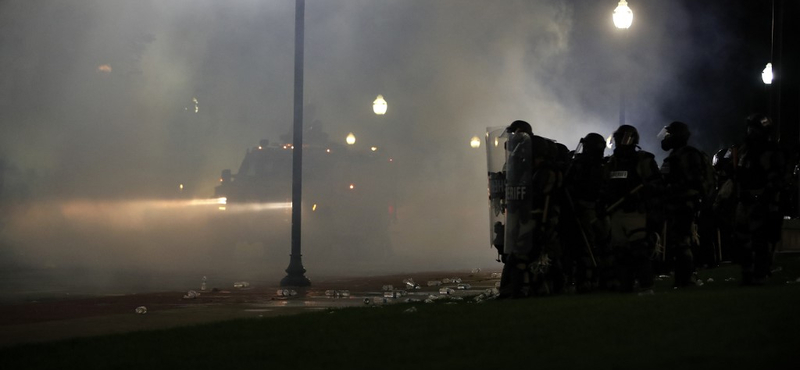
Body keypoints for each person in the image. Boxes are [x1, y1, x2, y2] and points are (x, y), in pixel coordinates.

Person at [498, 120, 563, 298]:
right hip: (524, 217)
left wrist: (542, 224)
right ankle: (519, 288)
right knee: (519, 256)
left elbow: (544, 198)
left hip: (538, 218)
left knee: (528, 256)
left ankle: (529, 288)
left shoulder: (545, 172)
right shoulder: (523, 167)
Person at [602, 125, 661, 293]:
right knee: (620, 252)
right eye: (618, 139)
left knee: (638, 250)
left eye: (623, 139)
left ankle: (646, 285)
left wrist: (638, 195)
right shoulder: (611, 163)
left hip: (635, 211)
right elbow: (605, 185)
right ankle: (625, 286)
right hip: (616, 212)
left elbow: (655, 184)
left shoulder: (643, 160)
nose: (620, 143)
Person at [732, 114, 785, 285]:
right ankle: (747, 273)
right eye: (749, 128)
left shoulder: (770, 151)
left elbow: (775, 180)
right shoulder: (745, 150)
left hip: (761, 202)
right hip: (745, 201)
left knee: (760, 240)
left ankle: (760, 275)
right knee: (742, 239)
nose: (750, 132)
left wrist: (763, 199)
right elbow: (741, 175)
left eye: (754, 128)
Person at [658, 121, 711, 287]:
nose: (665, 139)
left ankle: (687, 278)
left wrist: (673, 188)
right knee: (678, 242)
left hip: (684, 204)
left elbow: (694, 181)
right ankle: (682, 278)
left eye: (669, 135)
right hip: (676, 204)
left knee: (683, 242)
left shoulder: (688, 154)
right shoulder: (676, 155)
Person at [562, 133, 608, 293]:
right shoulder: (602, 165)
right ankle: (593, 280)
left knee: (586, 247)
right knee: (594, 245)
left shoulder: (582, 164)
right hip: (594, 210)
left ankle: (587, 280)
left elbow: (568, 184)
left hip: (588, 210)